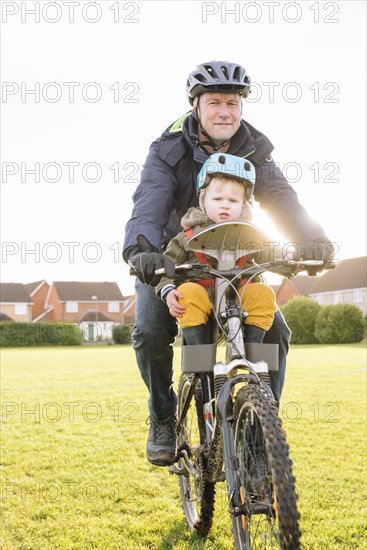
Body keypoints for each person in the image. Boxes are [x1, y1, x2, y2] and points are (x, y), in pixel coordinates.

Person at [124, 60, 333, 467]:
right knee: (150, 330)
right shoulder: (168, 149)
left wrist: (313, 240)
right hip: (174, 258)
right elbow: (149, 204)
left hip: (235, 258)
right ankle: (164, 416)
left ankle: (260, 426)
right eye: (215, 102)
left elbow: (283, 200)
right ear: (196, 107)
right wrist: (142, 250)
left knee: (276, 333)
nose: (225, 111)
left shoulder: (256, 148)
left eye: (233, 103)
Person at [155, 153, 278, 350]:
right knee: (186, 292)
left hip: (240, 295)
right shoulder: (186, 236)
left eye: (233, 200)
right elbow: (167, 266)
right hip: (202, 298)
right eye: (218, 198)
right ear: (203, 201)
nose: (224, 204)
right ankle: (199, 363)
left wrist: (291, 258)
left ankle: (255, 357)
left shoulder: (252, 236)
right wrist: (168, 290)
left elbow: (273, 253)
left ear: (244, 206)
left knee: (263, 292)